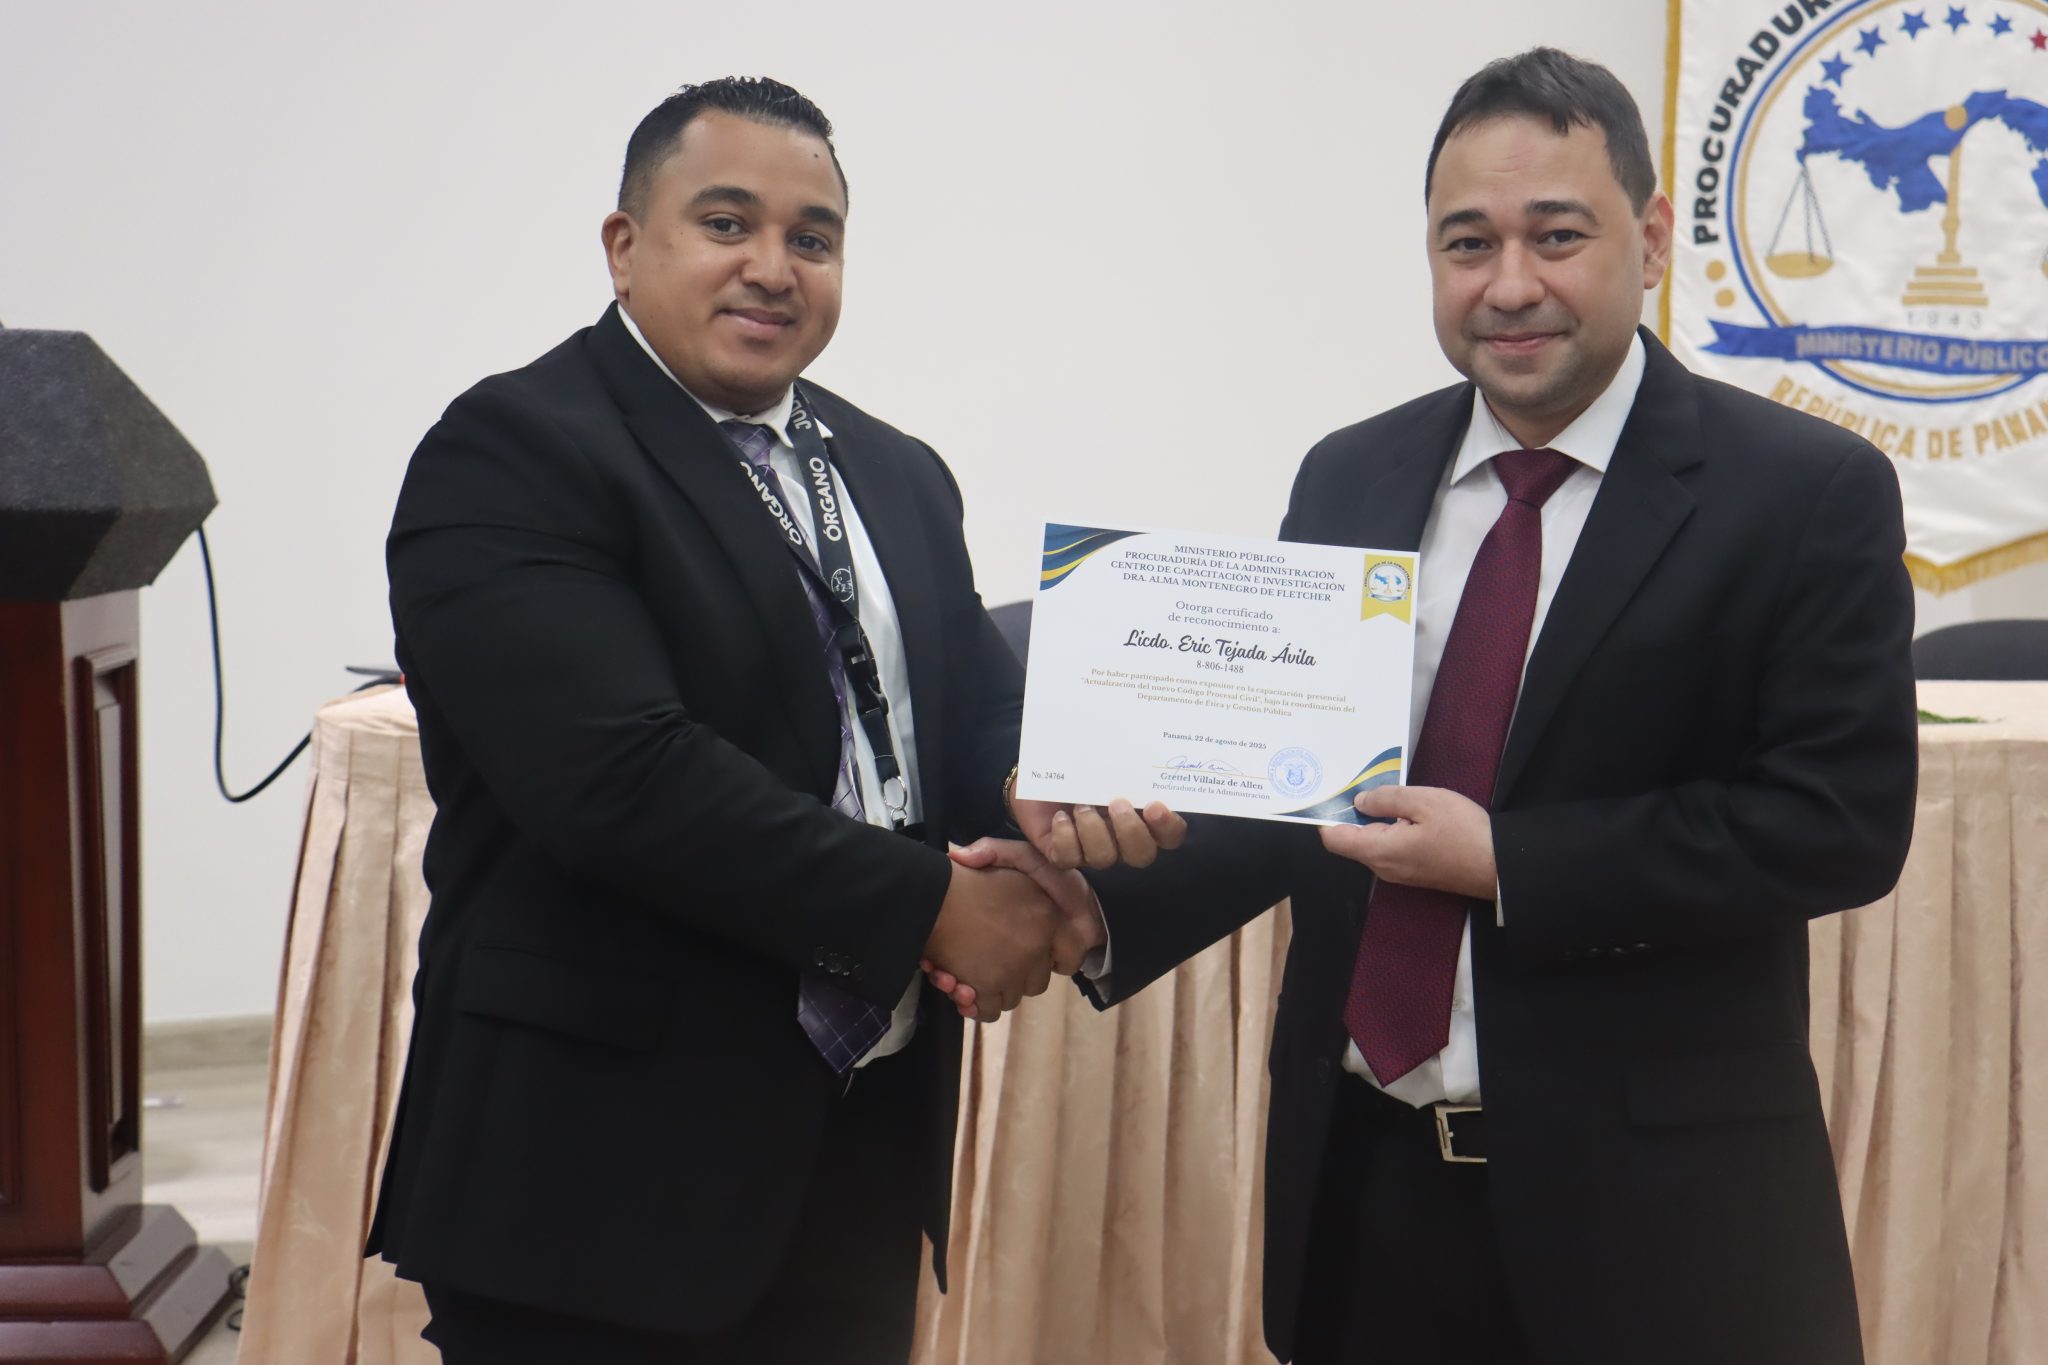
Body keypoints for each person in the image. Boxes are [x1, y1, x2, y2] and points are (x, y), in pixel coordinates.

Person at [942, 47, 1916, 1365]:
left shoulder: (1803, 493)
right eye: (1468, 243)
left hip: (1659, 1231)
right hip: (1367, 1199)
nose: (1508, 285)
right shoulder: (1354, 474)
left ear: (1647, 241)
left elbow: (1835, 823)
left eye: (1555, 236)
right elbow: (1306, 794)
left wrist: (1508, 860)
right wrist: (1095, 899)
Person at [367, 77, 1173, 1362]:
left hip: (853, 1141)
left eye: (813, 237)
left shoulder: (894, 469)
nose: (772, 268)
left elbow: (965, 707)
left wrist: (1046, 784)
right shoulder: (514, 450)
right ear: (624, 246)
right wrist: (933, 905)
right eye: (725, 223)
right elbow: (623, 782)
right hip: (594, 1176)